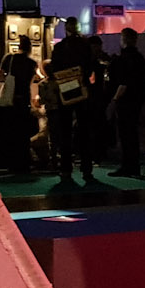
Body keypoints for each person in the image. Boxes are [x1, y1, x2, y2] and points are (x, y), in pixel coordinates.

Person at [46, 17, 103, 186]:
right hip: (82, 89)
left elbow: (53, 69)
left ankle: (66, 168)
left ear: (66, 28)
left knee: (65, 130)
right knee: (84, 129)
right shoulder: (85, 46)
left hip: (65, 90)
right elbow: (91, 67)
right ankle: (86, 168)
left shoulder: (60, 47)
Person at [107, 27, 145, 178]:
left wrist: (114, 100)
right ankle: (133, 166)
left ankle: (127, 166)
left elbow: (123, 83)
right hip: (136, 100)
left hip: (125, 101)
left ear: (123, 39)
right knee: (132, 133)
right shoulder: (139, 58)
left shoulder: (124, 58)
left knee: (125, 135)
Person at [0, 35, 40, 173]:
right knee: (23, 133)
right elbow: (31, 81)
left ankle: (11, 163)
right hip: (24, 99)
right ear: (30, 48)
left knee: (10, 132)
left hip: (10, 100)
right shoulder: (32, 62)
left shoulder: (9, 58)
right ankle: (24, 162)